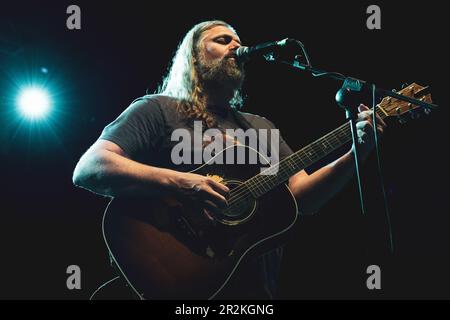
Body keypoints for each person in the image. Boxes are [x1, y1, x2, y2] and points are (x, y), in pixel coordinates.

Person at [72, 20, 386, 299]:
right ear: (194, 57)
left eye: (237, 40)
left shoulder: (260, 126)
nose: (236, 45)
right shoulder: (157, 109)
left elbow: (304, 198)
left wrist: (358, 153)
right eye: (222, 40)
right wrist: (184, 182)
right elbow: (90, 168)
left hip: (253, 292)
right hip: (172, 270)